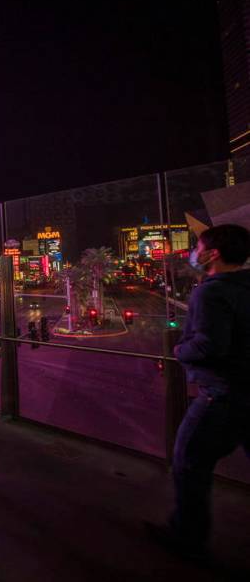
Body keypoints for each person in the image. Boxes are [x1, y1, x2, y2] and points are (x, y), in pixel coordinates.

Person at [146, 224, 250, 560]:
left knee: (188, 462)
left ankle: (187, 537)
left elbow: (210, 344)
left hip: (220, 394)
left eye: (199, 245)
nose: (195, 251)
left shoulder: (211, 291)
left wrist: (180, 351)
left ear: (213, 253)